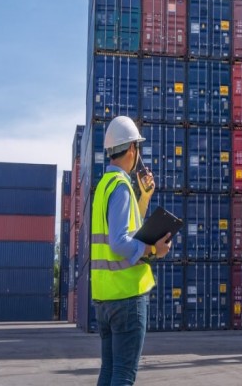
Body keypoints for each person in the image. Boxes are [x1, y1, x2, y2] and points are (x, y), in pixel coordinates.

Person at [91, 116, 172, 386]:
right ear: (132, 150)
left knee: (110, 371)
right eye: (138, 147)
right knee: (124, 376)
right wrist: (153, 250)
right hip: (126, 296)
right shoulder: (121, 186)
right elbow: (118, 242)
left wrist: (144, 197)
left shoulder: (105, 186)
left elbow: (127, 228)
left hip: (105, 298)